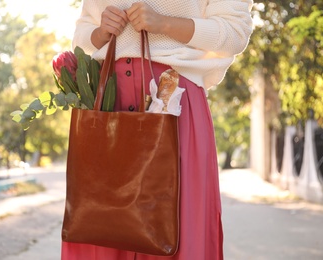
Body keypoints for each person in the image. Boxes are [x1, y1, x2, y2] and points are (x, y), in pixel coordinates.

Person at [62, 0, 253, 259]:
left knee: (176, 225)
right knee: (99, 226)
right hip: (108, 101)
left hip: (174, 99)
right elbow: (82, 36)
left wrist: (164, 23)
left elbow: (235, 33)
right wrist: (100, 32)